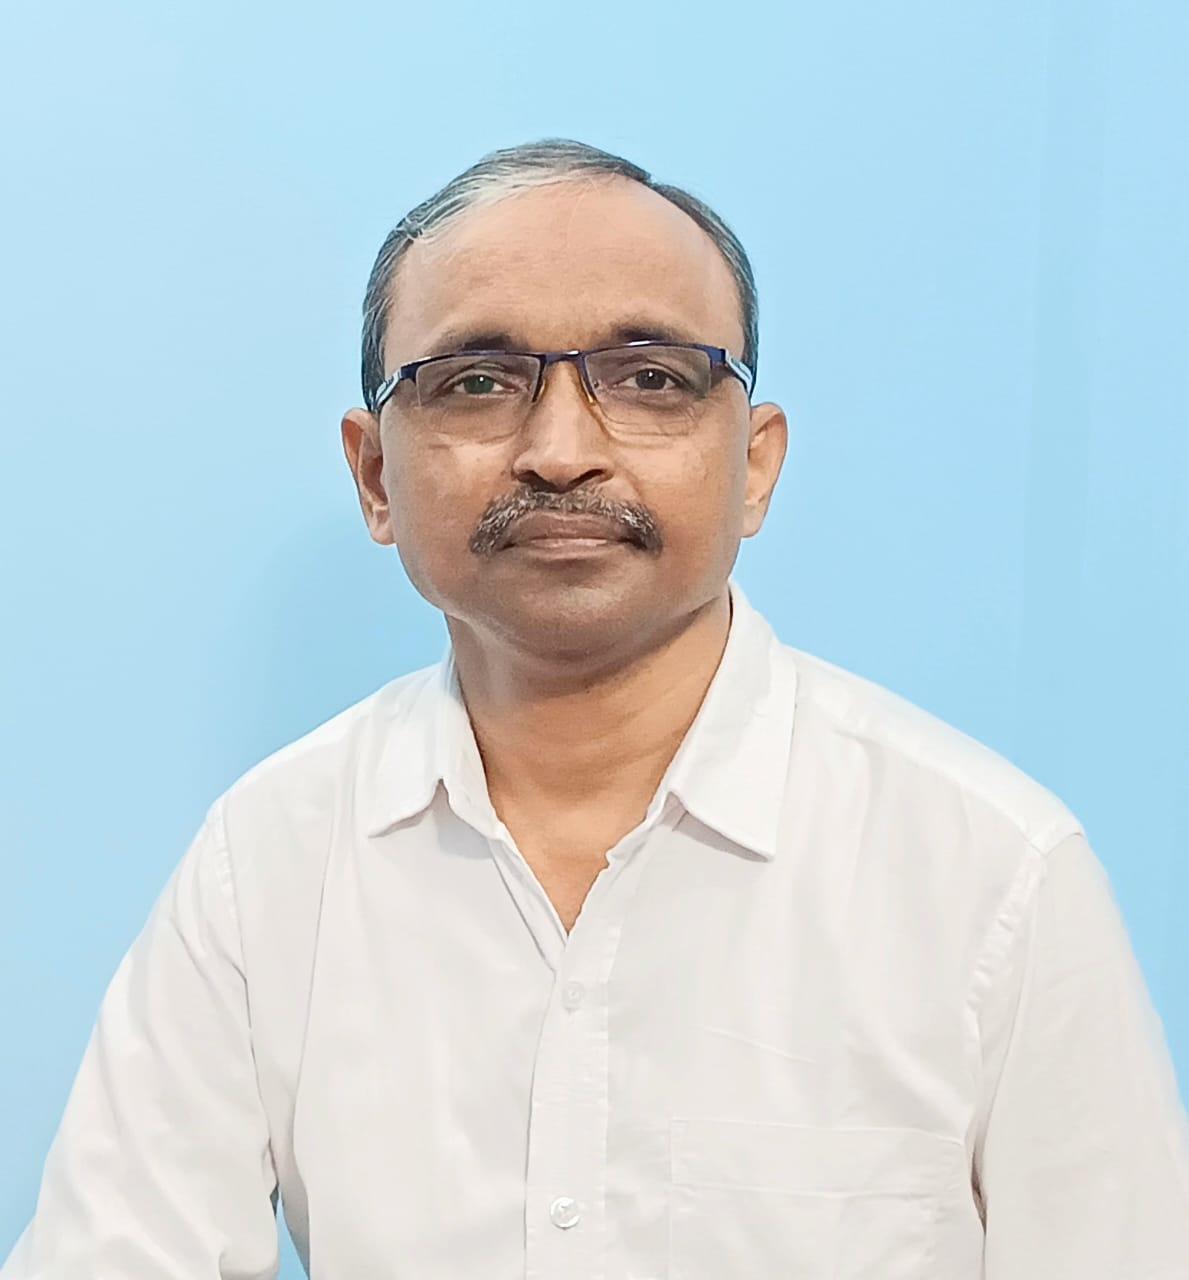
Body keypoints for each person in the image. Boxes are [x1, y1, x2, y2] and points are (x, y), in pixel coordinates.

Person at [4, 137, 1187, 1279]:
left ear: (754, 464)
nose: (560, 450)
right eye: (477, 381)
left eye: (650, 378)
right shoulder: (270, 859)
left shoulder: (989, 872)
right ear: (375, 476)